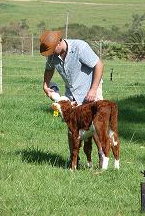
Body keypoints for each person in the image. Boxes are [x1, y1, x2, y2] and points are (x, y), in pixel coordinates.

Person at [40, 30, 104, 167]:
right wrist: (45, 84)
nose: (50, 55)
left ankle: (102, 157)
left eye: (51, 50)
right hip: (72, 92)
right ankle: (74, 160)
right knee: (71, 126)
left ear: (59, 43)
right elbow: (49, 68)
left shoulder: (80, 47)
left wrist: (93, 90)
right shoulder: (53, 54)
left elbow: (99, 65)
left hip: (91, 88)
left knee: (94, 125)